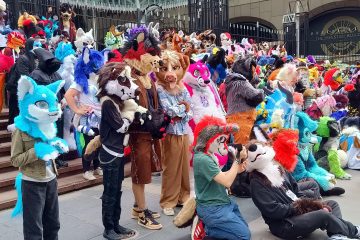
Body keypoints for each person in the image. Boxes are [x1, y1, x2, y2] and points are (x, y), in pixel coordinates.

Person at [247, 141, 360, 240]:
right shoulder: (256, 183)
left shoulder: (279, 170)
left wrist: (309, 205)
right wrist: (305, 207)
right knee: (322, 214)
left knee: (332, 204)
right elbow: (274, 210)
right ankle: (353, 230)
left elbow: (297, 191)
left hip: (297, 211)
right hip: (285, 224)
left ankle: (336, 234)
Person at [11, 76, 67, 240]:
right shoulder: (20, 131)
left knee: (53, 224)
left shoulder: (49, 125)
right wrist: (36, 151)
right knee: (33, 229)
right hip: (32, 183)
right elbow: (15, 160)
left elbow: (52, 150)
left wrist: (56, 145)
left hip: (51, 180)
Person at [192, 116, 251, 240]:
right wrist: (236, 162)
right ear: (208, 139)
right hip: (212, 208)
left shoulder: (209, 155)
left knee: (244, 230)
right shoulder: (202, 159)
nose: (224, 145)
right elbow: (226, 181)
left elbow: (221, 178)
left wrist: (238, 169)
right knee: (243, 236)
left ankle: (209, 227)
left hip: (222, 202)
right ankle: (206, 230)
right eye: (221, 140)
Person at [156, 50, 192, 216]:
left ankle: (183, 196)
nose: (170, 72)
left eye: (175, 67)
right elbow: (168, 111)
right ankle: (168, 201)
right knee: (171, 168)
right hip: (170, 133)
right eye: (165, 68)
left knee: (184, 167)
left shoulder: (183, 89)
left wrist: (182, 110)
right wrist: (183, 108)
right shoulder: (160, 90)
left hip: (183, 132)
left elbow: (189, 111)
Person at [30, 47, 68, 168]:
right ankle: (50, 158)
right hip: (44, 113)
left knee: (58, 134)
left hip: (57, 110)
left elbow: (63, 90)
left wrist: (64, 99)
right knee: (48, 135)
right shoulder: (35, 74)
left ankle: (59, 158)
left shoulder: (56, 74)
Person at [225, 57, 265, 145]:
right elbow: (256, 95)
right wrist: (263, 91)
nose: (254, 74)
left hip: (241, 119)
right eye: (252, 71)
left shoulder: (233, 81)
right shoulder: (240, 82)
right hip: (241, 120)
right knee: (242, 148)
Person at [6, 38, 36, 131]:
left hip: (23, 89)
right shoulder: (23, 58)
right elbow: (24, 74)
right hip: (16, 87)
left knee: (19, 110)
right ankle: (12, 129)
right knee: (14, 109)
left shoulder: (32, 58)